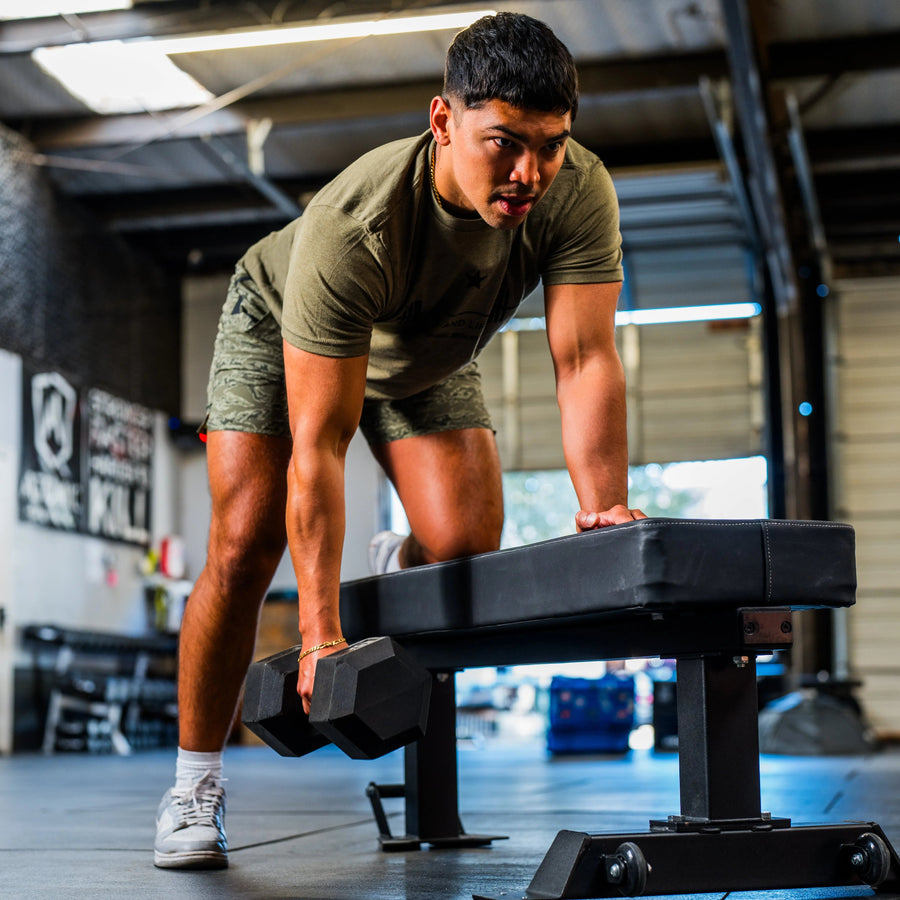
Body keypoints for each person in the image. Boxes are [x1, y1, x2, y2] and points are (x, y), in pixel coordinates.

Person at [153, 11, 646, 870]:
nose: (529, 172)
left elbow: (585, 358)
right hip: (286, 330)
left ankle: (395, 556)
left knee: (464, 543)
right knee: (246, 540)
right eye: (503, 142)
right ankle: (195, 783)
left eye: (551, 143)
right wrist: (319, 635)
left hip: (424, 348)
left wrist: (601, 508)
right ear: (443, 121)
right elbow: (320, 445)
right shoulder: (357, 225)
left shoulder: (577, 190)